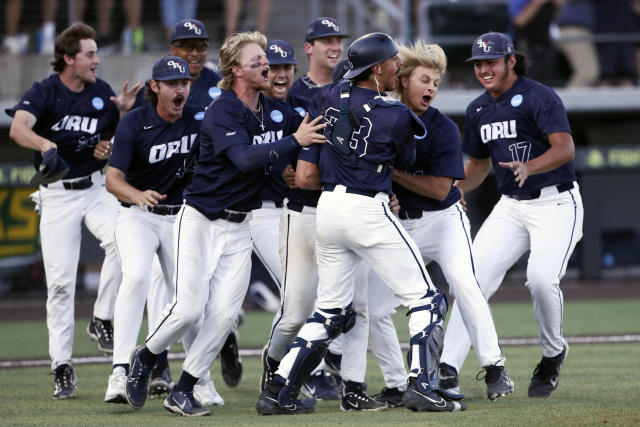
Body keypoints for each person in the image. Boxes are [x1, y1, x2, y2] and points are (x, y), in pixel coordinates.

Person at [256, 32, 466, 416]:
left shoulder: (324, 96)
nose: (397, 69)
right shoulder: (398, 114)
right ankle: (422, 386)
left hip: (329, 209)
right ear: (377, 69)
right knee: (427, 298)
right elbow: (406, 155)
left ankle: (277, 390)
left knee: (328, 311)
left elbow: (329, 128)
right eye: (392, 64)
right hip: (368, 208)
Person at [123, 31, 326, 417]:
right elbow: (245, 159)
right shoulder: (222, 109)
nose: (266, 66)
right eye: (256, 62)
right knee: (188, 309)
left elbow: (304, 139)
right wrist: (294, 143)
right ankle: (144, 355)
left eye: (265, 59)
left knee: (224, 316)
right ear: (236, 71)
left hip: (240, 225)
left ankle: (183, 389)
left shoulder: (276, 110)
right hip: (200, 220)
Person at [440, 31, 584, 399]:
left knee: (540, 279)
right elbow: (477, 165)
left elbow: (565, 148)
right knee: (469, 281)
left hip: (555, 202)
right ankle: (447, 370)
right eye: (479, 64)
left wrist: (530, 166)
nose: (484, 69)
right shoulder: (476, 109)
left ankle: (552, 353)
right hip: (512, 205)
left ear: (510, 61)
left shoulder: (539, 95)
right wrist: (451, 191)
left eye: (491, 61)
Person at [368, 40, 513, 402]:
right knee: (371, 307)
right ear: (402, 80)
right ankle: (399, 382)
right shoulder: (382, 116)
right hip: (401, 226)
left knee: (465, 284)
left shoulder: (444, 128)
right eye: (424, 79)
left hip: (443, 220)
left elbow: (437, 189)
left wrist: (392, 173)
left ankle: (495, 367)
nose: (432, 87)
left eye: (436, 81)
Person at [5, 23, 139, 399]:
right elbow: (18, 129)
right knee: (61, 285)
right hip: (58, 195)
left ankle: (101, 318)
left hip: (94, 188)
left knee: (124, 244)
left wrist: (112, 138)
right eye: (90, 54)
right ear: (69, 58)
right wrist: (44, 143)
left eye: (96, 53)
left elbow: (114, 143)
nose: (97, 60)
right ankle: (61, 366)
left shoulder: (102, 93)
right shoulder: (45, 90)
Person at [129, 18, 230, 406]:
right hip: (161, 207)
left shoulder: (218, 85)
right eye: (187, 44)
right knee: (166, 292)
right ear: (172, 48)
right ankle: (157, 365)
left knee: (206, 304)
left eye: (201, 44)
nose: (195, 51)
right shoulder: (152, 93)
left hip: (206, 203)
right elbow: (140, 144)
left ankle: (197, 373)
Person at [259, 21, 351, 402]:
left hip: (334, 209)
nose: (280, 74)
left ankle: (319, 372)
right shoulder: (295, 98)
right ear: (310, 47)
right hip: (284, 209)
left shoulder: (345, 95)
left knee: (339, 305)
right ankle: (273, 364)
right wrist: (287, 166)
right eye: (273, 68)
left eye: (337, 41)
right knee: (296, 307)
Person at [103, 55, 199, 405]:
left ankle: (196, 376)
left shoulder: (198, 117)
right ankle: (119, 369)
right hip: (137, 214)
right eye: (172, 83)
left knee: (192, 299)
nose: (180, 89)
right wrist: (137, 194)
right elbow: (112, 181)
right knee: (137, 278)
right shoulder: (135, 123)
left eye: (184, 83)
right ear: (155, 87)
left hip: (180, 217)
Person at [287, 17, 350, 111]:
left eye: (339, 41)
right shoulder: (295, 94)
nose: (336, 48)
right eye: (327, 42)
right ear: (308, 48)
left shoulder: (353, 85)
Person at [555, 0, 600, 88]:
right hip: (572, 29)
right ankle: (564, 101)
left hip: (581, 30)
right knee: (588, 73)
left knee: (588, 74)